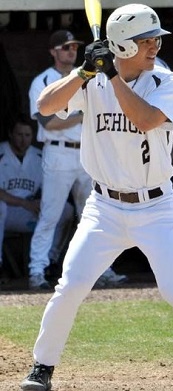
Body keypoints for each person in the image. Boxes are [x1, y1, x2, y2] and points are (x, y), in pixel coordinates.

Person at [21, 4, 173, 391]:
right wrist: (83, 72)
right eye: (145, 40)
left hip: (156, 207)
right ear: (121, 45)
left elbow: (145, 120)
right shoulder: (93, 80)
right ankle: (41, 367)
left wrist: (110, 73)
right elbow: (45, 107)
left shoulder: (167, 81)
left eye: (155, 39)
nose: (154, 46)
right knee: (70, 286)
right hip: (104, 208)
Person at [28, 29, 93, 289]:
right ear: (53, 51)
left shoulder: (87, 77)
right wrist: (82, 115)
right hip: (57, 152)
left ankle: (99, 271)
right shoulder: (43, 80)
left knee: (93, 216)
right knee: (50, 215)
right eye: (65, 47)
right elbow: (49, 122)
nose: (71, 51)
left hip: (87, 152)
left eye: (74, 47)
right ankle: (37, 270)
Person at [0, 116, 74, 282]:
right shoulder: (2, 152)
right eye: (19, 134)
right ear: (11, 134)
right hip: (8, 212)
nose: (23, 139)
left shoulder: (40, 156)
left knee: (67, 210)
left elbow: (51, 187)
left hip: (28, 211)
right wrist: (23, 203)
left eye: (27, 135)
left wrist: (40, 202)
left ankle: (50, 261)